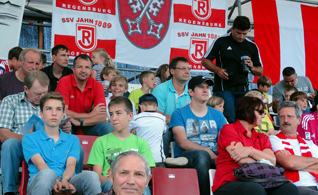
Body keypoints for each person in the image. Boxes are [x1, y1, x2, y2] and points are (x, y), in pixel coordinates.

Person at [0, 70, 72, 195]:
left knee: (76, 147)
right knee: (9, 144)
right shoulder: (10, 101)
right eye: (38, 93)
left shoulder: (52, 103)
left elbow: (65, 134)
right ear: (26, 89)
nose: (42, 97)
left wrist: (66, 128)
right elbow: (2, 134)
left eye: (45, 92)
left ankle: (70, 186)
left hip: (51, 146)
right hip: (21, 145)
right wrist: (27, 139)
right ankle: (9, 191)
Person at [213, 96, 298, 195]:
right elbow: (242, 160)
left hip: (260, 180)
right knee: (255, 190)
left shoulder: (262, 137)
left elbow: (272, 161)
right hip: (231, 180)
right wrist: (262, 159)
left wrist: (250, 151)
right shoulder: (229, 129)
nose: (263, 115)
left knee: (289, 189)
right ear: (248, 111)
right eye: (261, 112)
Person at [22, 92, 101, 195]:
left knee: (92, 176)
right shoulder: (29, 138)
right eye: (49, 109)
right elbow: (40, 164)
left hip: (67, 180)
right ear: (41, 113)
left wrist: (65, 181)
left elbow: (71, 165)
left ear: (63, 114)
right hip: (40, 182)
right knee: (47, 174)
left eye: (58, 109)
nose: (54, 113)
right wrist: (55, 181)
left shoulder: (73, 139)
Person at [170, 75, 227, 195]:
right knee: (202, 156)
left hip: (216, 155)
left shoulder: (218, 114)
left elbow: (224, 139)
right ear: (190, 91)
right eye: (201, 87)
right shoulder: (179, 113)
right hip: (188, 156)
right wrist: (208, 152)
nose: (206, 90)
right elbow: (182, 142)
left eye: (207, 87)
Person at [87, 96, 155, 194]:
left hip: (135, 183)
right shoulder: (100, 141)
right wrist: (117, 182)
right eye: (111, 114)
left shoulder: (142, 143)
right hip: (110, 182)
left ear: (130, 116)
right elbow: (97, 175)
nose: (114, 118)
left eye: (118, 113)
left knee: (144, 189)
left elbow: (145, 174)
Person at [202, 15, 263, 123]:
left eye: (244, 34)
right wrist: (218, 70)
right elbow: (205, 60)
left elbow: (260, 71)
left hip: (243, 88)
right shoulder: (221, 41)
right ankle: (230, 139)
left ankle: (240, 139)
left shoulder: (252, 46)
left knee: (244, 118)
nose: (241, 37)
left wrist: (252, 67)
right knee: (229, 117)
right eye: (238, 33)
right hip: (224, 88)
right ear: (233, 28)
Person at [56, 54, 112, 136]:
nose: (83, 70)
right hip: (68, 123)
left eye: (87, 67)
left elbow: (102, 116)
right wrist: (90, 114)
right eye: (79, 67)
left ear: (90, 71)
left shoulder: (97, 85)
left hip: (86, 124)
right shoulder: (64, 81)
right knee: (65, 125)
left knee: (107, 127)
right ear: (73, 69)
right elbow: (63, 112)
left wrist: (80, 123)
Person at [270, 101, 318, 194]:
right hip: (295, 186)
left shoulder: (309, 143)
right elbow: (289, 163)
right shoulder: (274, 139)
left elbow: (292, 164)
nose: (286, 120)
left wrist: (297, 163)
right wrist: (315, 160)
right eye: (282, 116)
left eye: (290, 116)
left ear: (299, 120)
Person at [152, 57, 191, 157]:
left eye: (189, 68)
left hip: (187, 127)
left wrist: (175, 120)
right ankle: (162, 164)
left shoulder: (192, 91)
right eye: (183, 68)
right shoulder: (160, 89)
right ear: (172, 71)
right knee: (163, 134)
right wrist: (178, 121)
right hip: (166, 127)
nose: (187, 72)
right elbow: (157, 115)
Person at [129, 94, 166, 165]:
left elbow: (126, 132)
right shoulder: (162, 118)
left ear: (140, 106)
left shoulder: (136, 118)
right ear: (157, 107)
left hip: (141, 159)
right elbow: (163, 132)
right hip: (158, 159)